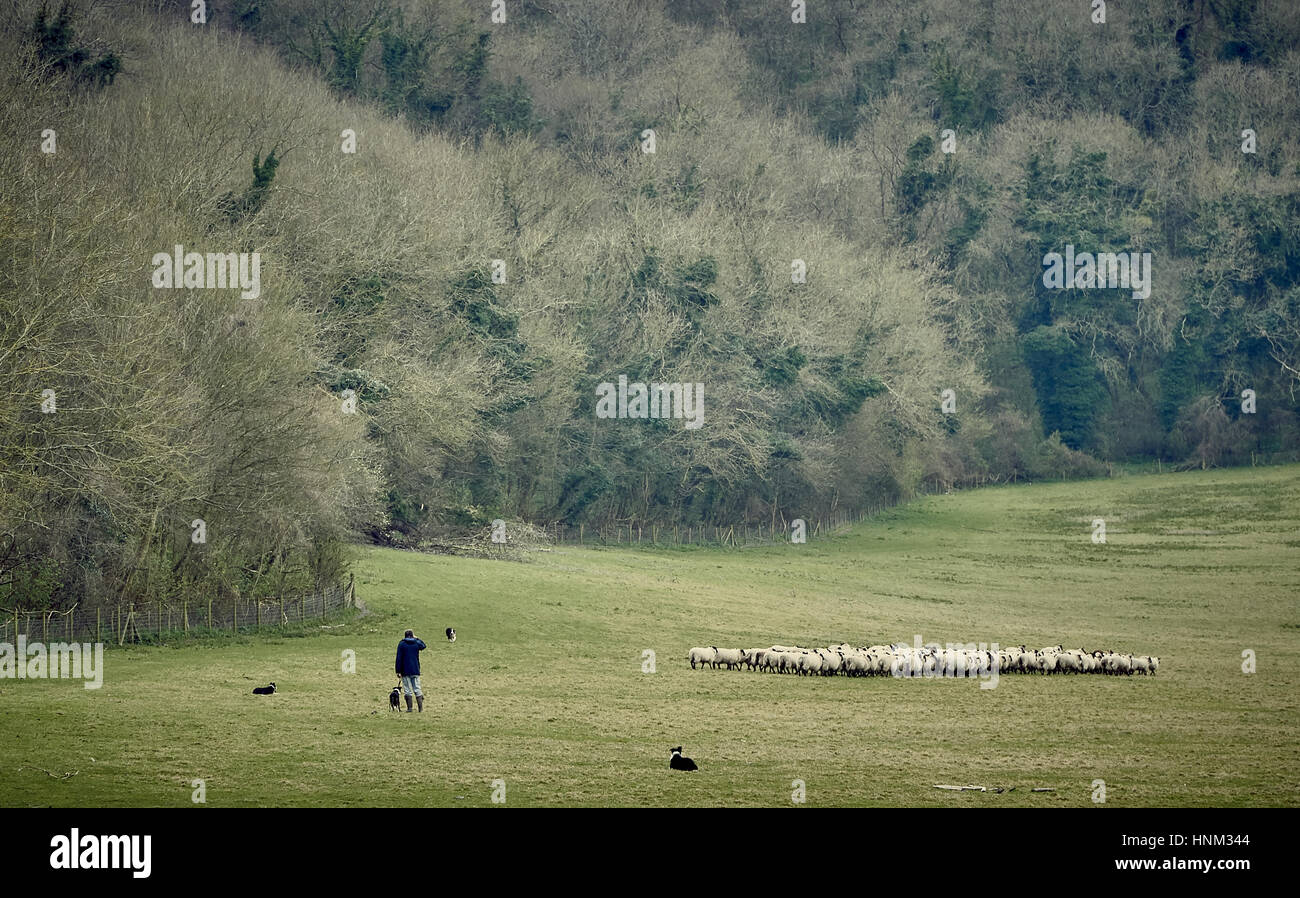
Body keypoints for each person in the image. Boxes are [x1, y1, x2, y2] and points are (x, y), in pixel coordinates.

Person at [394, 629, 426, 712]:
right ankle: (420, 708)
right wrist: (417, 638)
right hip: (415, 669)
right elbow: (423, 646)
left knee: (407, 689)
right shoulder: (416, 642)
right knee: (417, 688)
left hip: (405, 670)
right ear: (412, 635)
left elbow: (399, 658)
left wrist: (398, 671)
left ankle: (410, 708)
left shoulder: (402, 644)